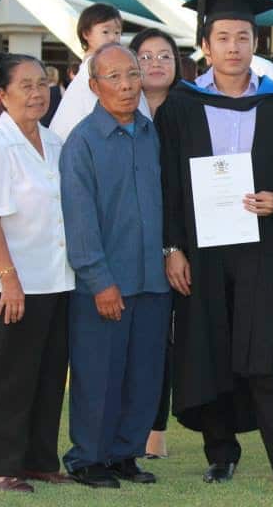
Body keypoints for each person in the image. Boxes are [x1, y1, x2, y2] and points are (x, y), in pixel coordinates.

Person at [156, 0, 273, 493]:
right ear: (206, 45)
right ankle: (220, 452)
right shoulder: (182, 105)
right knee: (209, 348)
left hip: (259, 246)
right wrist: (173, 247)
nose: (232, 47)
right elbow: (168, 184)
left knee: (265, 350)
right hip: (201, 251)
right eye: (222, 37)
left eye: (242, 37)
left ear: (255, 43)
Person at [59, 43, 171, 488]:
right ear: (94, 86)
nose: (126, 85)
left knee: (144, 374)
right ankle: (89, 458)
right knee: (98, 374)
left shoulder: (150, 133)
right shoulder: (82, 143)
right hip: (105, 283)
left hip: (153, 280)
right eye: (114, 78)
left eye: (131, 74)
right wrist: (99, 280)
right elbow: (80, 219)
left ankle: (125, 454)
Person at [0, 54, 75, 493]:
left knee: (50, 375)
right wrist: (9, 280)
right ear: (3, 94)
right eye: (25, 85)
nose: (37, 93)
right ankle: (3, 466)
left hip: (57, 279)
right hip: (16, 285)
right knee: (11, 377)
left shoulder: (54, 142)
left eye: (42, 83)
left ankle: (39, 460)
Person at [130, 27, 181, 461]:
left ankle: (156, 430)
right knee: (142, 337)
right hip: (135, 241)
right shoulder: (121, 114)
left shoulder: (193, 110)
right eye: (145, 57)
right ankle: (133, 424)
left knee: (170, 337)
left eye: (164, 55)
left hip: (184, 239)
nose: (155, 64)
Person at [49, 3, 151, 142]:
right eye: (105, 32)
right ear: (86, 34)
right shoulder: (93, 68)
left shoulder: (97, 65)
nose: (112, 38)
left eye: (117, 32)